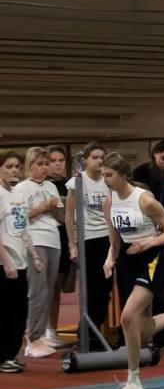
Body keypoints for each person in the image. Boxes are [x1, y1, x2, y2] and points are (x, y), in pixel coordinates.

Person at [102, 152, 164, 389]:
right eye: (102, 175)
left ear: (124, 175)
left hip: (152, 259)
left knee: (127, 317)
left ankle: (134, 378)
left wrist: (148, 243)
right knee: (143, 328)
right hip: (128, 260)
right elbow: (114, 238)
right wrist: (110, 258)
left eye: (109, 175)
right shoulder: (109, 202)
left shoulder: (145, 201)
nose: (105, 179)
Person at [12, 147, 63, 359]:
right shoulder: (21, 188)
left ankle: (40, 335)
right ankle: (31, 337)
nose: (44, 168)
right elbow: (19, 219)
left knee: (49, 290)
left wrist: (54, 208)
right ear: (30, 166)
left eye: (46, 164)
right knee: (37, 290)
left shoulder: (51, 186)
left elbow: (60, 217)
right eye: (39, 164)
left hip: (53, 239)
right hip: (34, 239)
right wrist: (42, 207)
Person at [132, 139, 164, 350]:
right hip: (142, 232)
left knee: (161, 286)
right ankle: (139, 332)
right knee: (141, 288)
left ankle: (160, 334)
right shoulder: (141, 173)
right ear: (154, 155)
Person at [65, 141, 114, 343]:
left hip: (106, 239)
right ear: (85, 160)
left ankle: (92, 333)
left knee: (105, 289)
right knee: (91, 289)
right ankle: (85, 334)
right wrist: (72, 244)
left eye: (102, 157)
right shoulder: (77, 181)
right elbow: (69, 216)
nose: (99, 161)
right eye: (95, 157)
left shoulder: (108, 181)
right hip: (87, 240)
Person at [1, 149, 43, 373]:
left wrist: (34, 254)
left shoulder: (16, 195)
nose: (14, 170)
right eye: (8, 166)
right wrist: (6, 261)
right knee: (5, 311)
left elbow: (22, 227)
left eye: (17, 166)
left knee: (19, 311)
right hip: (4, 263)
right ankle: (3, 356)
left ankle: (11, 353)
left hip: (20, 262)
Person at [45, 145, 74, 346]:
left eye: (61, 160)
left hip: (67, 239)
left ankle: (52, 329)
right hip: (48, 238)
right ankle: (44, 330)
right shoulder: (43, 186)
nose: (58, 164)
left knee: (58, 285)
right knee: (48, 287)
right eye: (53, 160)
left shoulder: (71, 185)